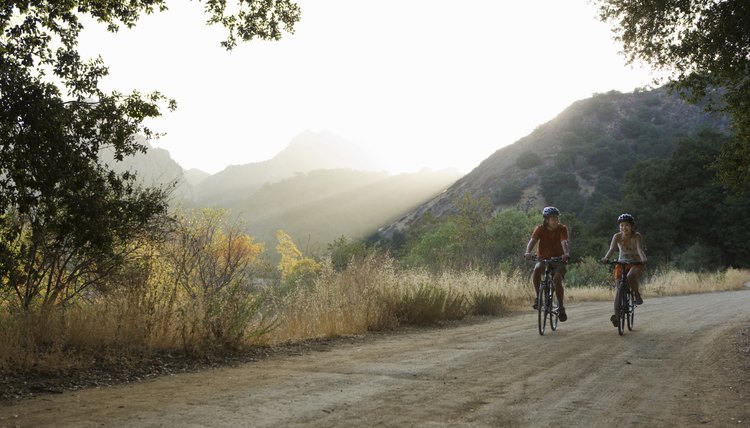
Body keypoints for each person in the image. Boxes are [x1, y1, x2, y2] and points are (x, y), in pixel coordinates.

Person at [600, 213, 648, 328]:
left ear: (631, 226)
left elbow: (639, 249)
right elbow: (612, 249)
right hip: (621, 263)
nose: (623, 228)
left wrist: (643, 258)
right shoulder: (616, 236)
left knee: (631, 276)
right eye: (621, 225)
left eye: (626, 225)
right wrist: (606, 258)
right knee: (619, 288)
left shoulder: (636, 236)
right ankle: (616, 316)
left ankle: (636, 295)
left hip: (636, 263)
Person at [524, 206, 571, 322]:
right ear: (546, 220)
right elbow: (533, 241)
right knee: (537, 269)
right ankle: (538, 298)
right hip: (543, 258)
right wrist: (528, 252)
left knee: (557, 279)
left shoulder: (562, 229)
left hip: (559, 259)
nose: (555, 221)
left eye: (556, 218)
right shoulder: (540, 229)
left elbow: (564, 242)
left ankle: (560, 306)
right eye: (552, 218)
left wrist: (566, 253)